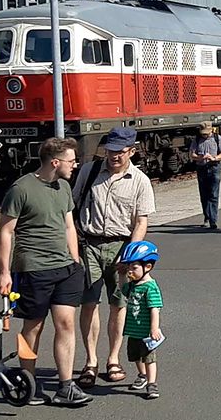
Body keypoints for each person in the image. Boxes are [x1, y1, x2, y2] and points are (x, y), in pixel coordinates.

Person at [0, 138, 91, 406]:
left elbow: (69, 226)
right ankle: (28, 384)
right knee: (33, 327)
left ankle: (66, 387)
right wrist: (4, 272)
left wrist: (75, 260)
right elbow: (5, 231)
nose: (75, 165)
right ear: (55, 162)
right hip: (33, 269)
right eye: (72, 161)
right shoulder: (21, 189)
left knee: (66, 323)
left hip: (65, 269)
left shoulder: (63, 186)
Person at [74, 126, 156, 389]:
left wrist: (131, 256)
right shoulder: (89, 172)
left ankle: (113, 359)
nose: (114, 156)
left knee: (118, 305)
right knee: (88, 303)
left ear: (131, 151)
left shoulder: (140, 180)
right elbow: (74, 205)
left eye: (120, 152)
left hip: (121, 248)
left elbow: (141, 222)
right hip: (89, 244)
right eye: (110, 151)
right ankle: (90, 361)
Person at [118, 241, 163, 400]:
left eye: (134, 267)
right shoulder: (132, 285)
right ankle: (142, 375)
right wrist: (122, 274)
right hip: (133, 330)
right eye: (129, 266)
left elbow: (154, 308)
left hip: (146, 332)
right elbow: (123, 289)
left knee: (149, 358)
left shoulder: (150, 287)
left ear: (148, 267)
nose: (130, 270)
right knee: (135, 356)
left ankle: (152, 384)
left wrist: (154, 328)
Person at [189, 122, 221, 230]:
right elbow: (191, 154)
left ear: (211, 131)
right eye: (203, 134)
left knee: (213, 194)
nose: (204, 135)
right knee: (204, 194)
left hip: (214, 167)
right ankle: (207, 216)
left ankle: (213, 220)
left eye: (206, 133)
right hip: (202, 168)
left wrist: (214, 158)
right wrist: (200, 157)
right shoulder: (196, 140)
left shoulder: (217, 138)